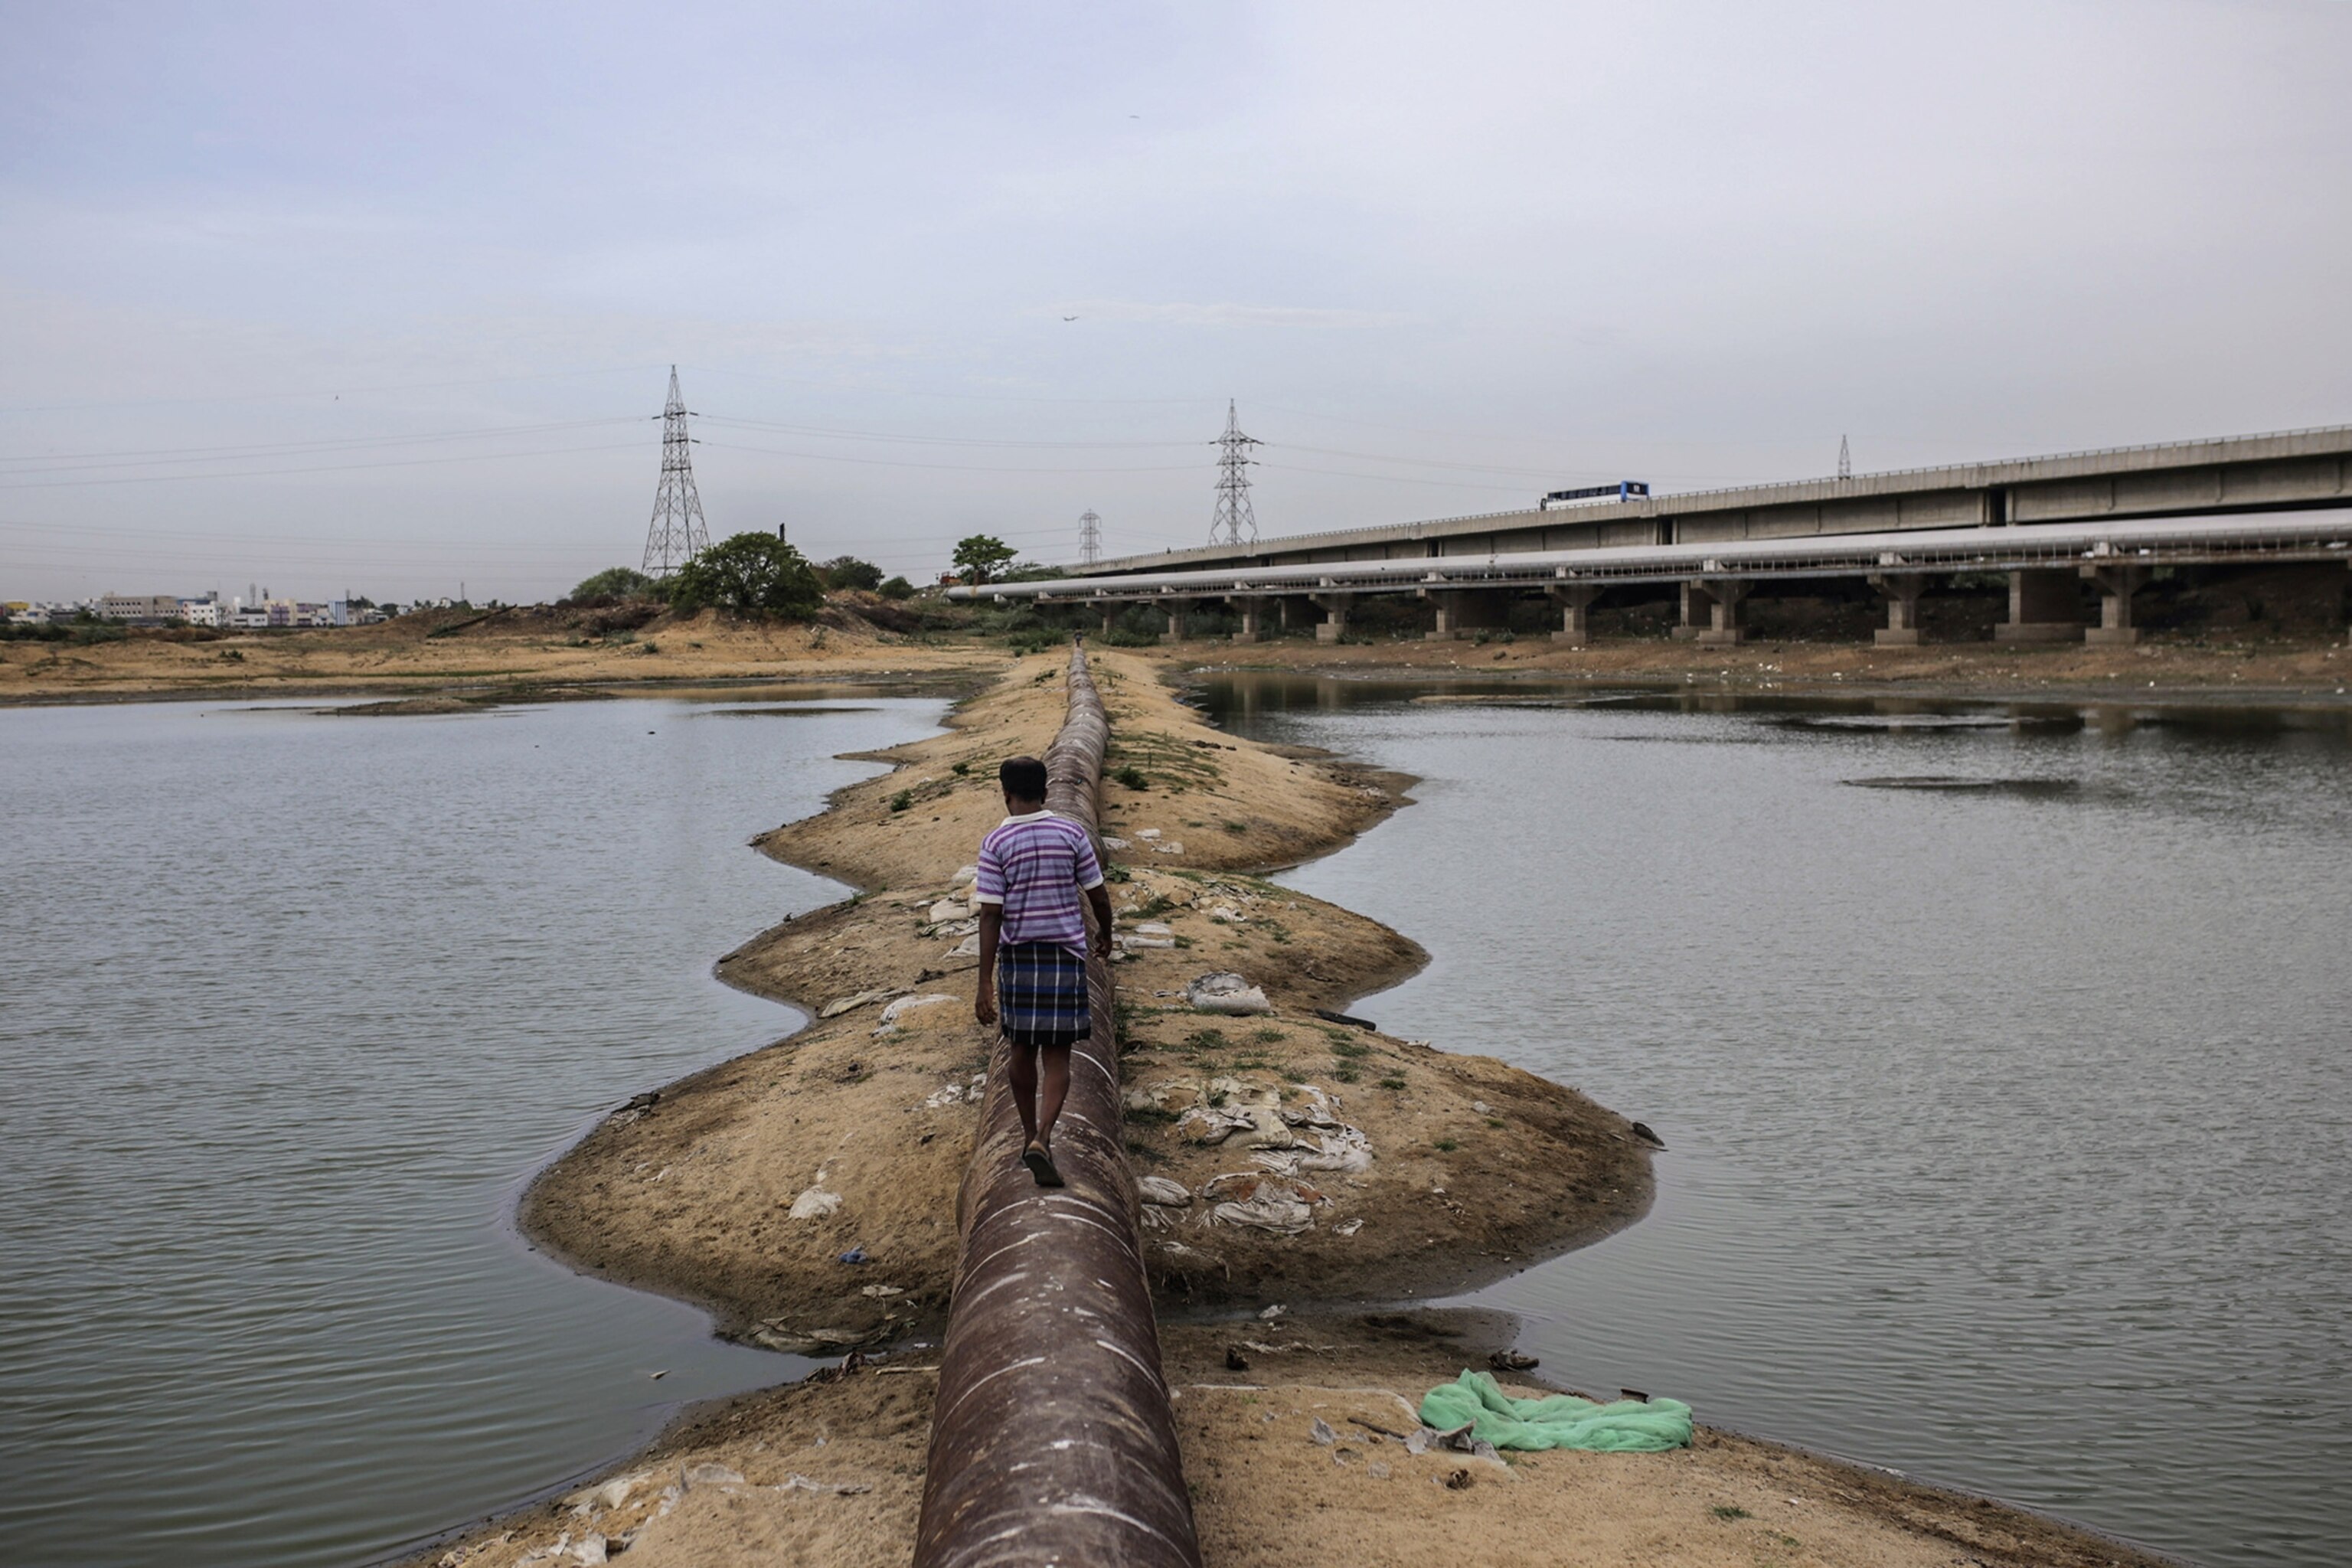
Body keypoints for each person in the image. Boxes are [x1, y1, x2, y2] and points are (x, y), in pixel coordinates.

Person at [971, 755, 1115, 1187]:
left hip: (1018, 958)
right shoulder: (1071, 833)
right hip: (1064, 954)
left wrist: (983, 982)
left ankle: (1030, 1133)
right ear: (1047, 792)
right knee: (1058, 1055)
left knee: (1019, 1049)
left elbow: (991, 915)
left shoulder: (995, 843)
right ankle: (1046, 1138)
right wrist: (1106, 934)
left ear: (1005, 793)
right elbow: (1098, 894)